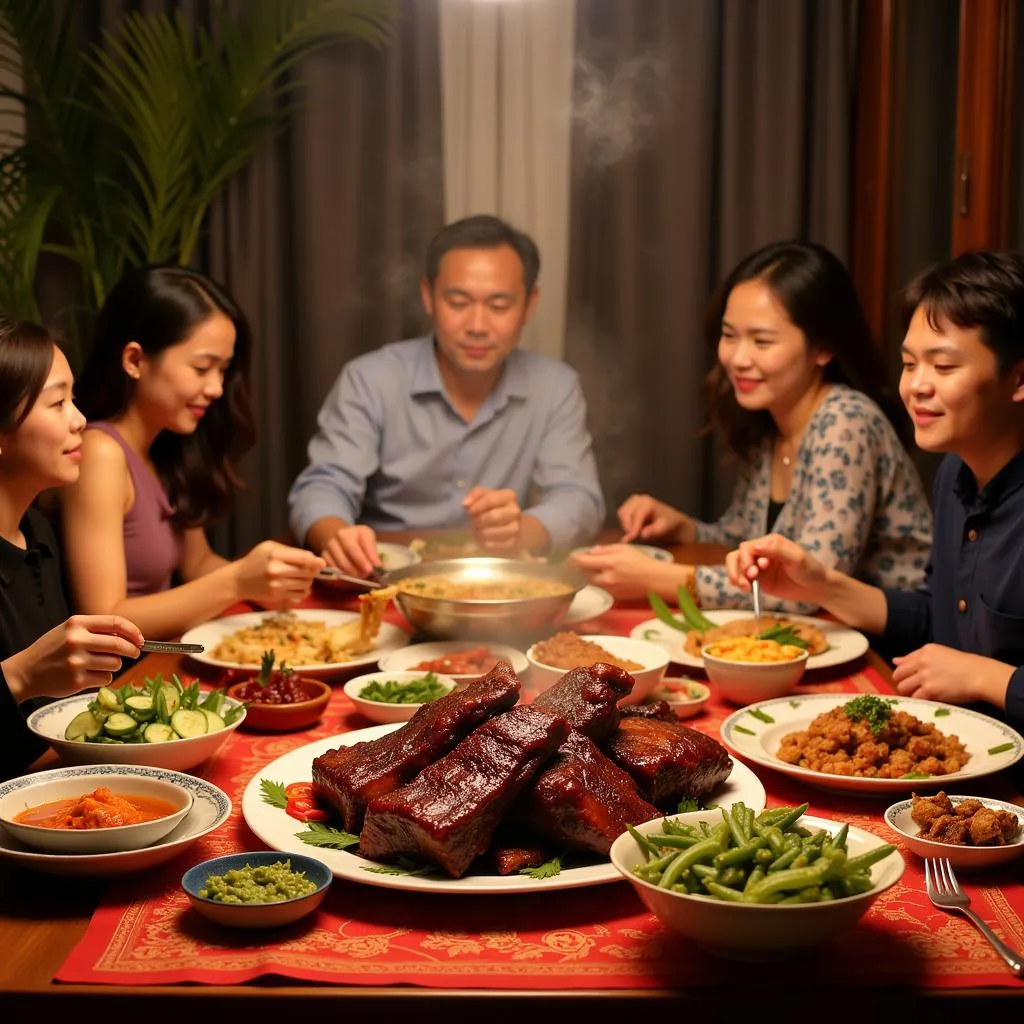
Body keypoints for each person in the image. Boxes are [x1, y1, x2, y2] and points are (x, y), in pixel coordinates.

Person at [726, 250, 1024, 729]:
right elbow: (935, 616)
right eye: (909, 364)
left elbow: (970, 663)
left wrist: (986, 677)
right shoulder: (955, 474)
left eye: (943, 367)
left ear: (1018, 377)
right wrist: (819, 583)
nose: (917, 387)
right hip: (957, 756)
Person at [571, 240, 932, 611]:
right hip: (820, 637)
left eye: (762, 340)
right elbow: (746, 543)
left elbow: (806, 588)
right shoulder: (775, 417)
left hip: (892, 651)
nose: (738, 358)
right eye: (730, 336)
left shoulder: (845, 422)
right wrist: (685, 528)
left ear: (822, 349)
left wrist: (658, 578)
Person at [287, 214, 605, 576]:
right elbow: (324, 485)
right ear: (428, 296)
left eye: (499, 306)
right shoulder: (371, 379)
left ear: (529, 306)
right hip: (383, 577)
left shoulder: (555, 386)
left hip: (498, 584)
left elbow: (579, 499)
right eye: (458, 302)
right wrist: (337, 536)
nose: (477, 326)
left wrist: (520, 532)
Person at [61, 266, 324, 640]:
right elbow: (105, 617)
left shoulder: (166, 444)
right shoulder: (100, 452)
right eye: (202, 368)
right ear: (135, 360)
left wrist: (274, 586)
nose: (217, 388)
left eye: (224, 370)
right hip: (125, 680)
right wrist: (238, 581)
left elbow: (198, 562)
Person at [0, 316, 145, 779]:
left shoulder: (37, 530)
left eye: (73, 398)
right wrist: (19, 677)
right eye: (57, 402)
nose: (80, 419)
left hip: (58, 775)